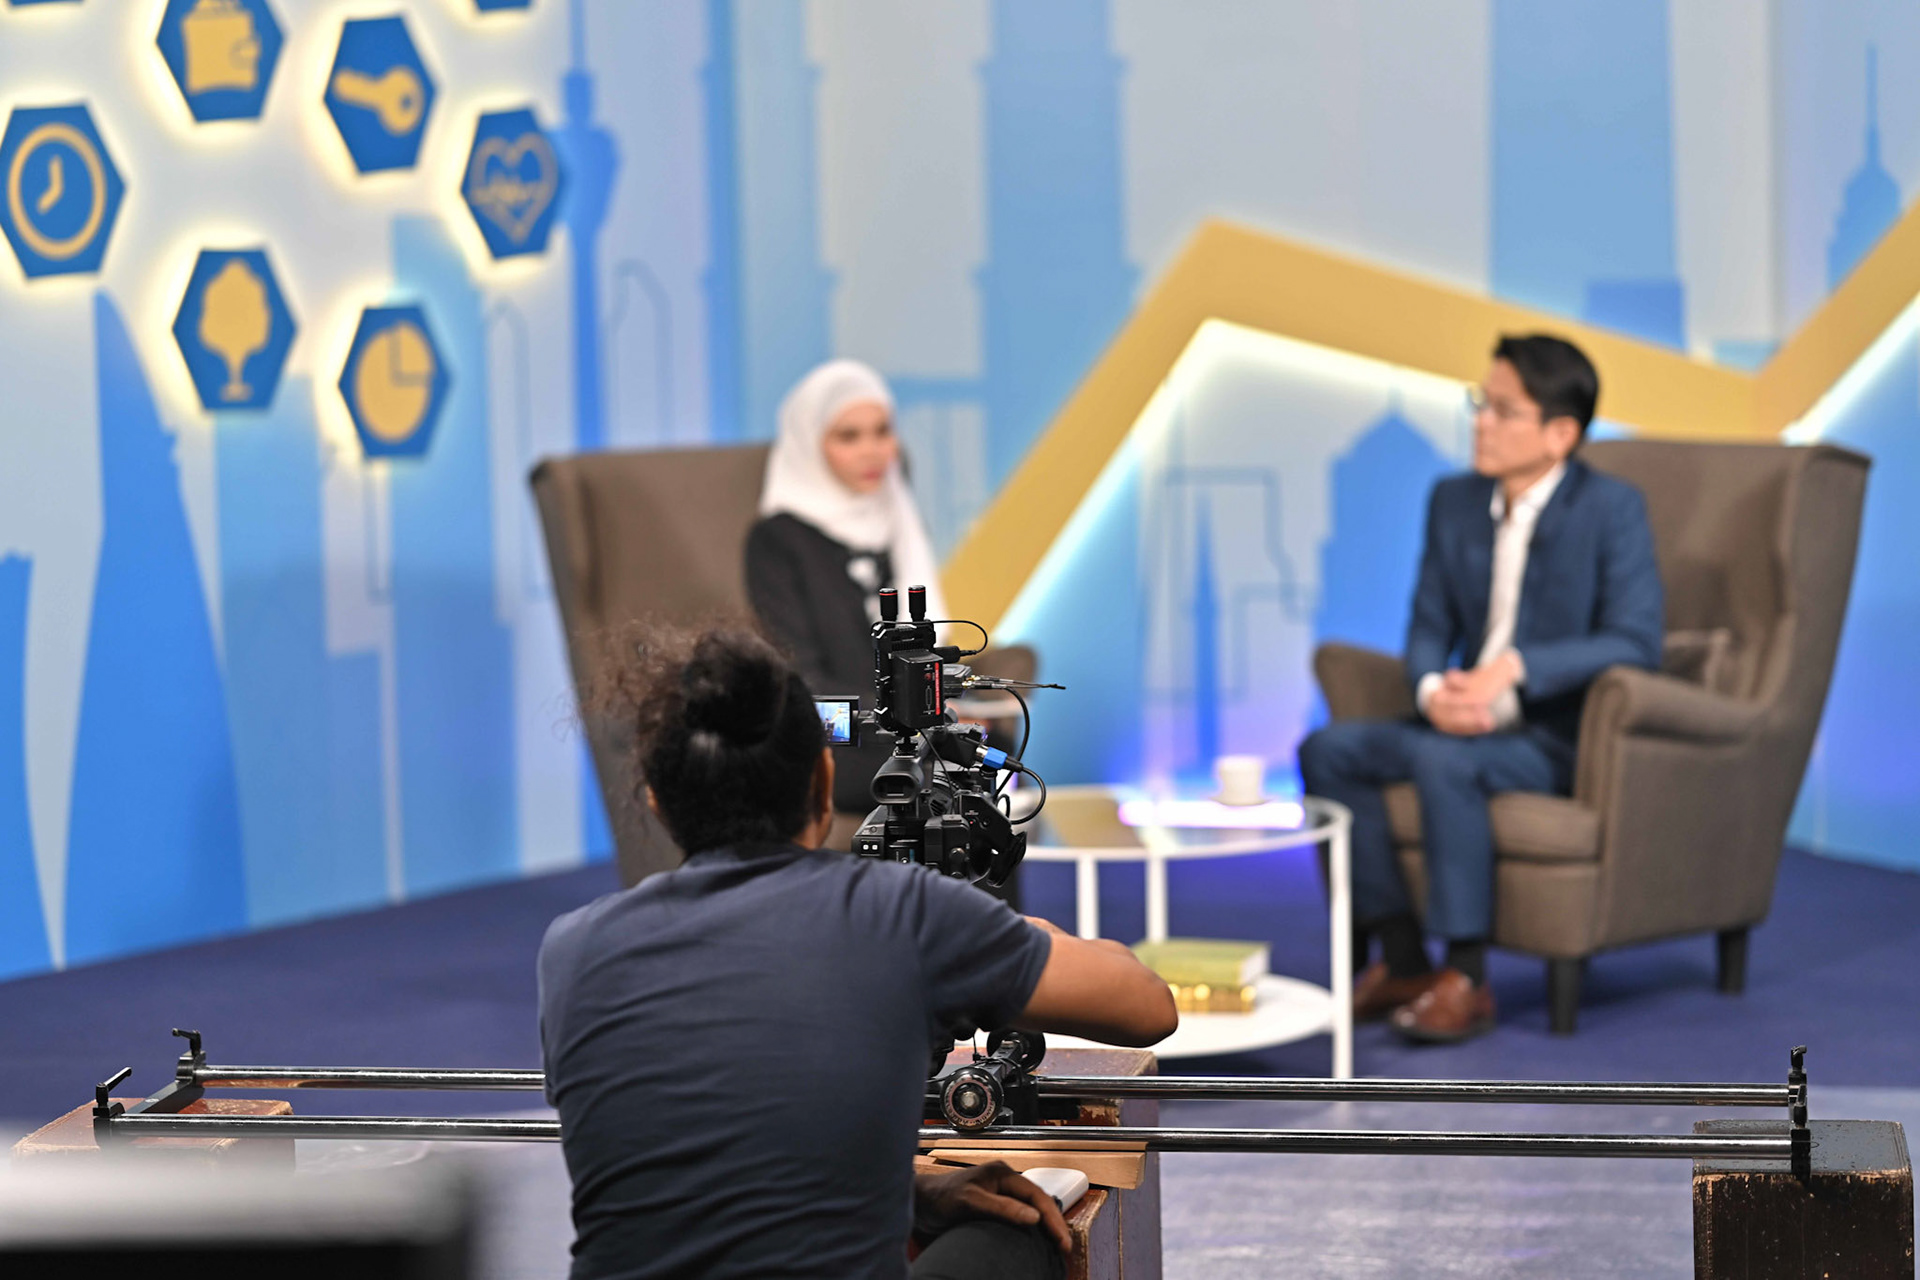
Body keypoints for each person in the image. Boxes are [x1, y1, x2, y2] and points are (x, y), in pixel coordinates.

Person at [540, 627, 1178, 1280]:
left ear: (656, 801)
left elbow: (699, 1147)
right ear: (822, 782)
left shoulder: (572, 948)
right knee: (1025, 1229)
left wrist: (912, 1196)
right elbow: (1148, 1007)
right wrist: (1005, 932)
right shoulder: (901, 914)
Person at [1297, 334, 1663, 1044]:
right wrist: (1433, 689)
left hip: (1549, 735)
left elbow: (1635, 640)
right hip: (1457, 719)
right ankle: (1403, 960)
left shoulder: (1611, 509)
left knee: (1444, 759)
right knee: (1327, 751)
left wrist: (1517, 669)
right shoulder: (1454, 500)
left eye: (1503, 410)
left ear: (1561, 434)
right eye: (1480, 403)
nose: (1481, 423)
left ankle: (1466, 976)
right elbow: (1428, 624)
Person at [745, 359, 943, 816]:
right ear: (810, 444)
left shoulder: (898, 521)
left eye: (882, 431)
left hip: (902, 730)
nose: (872, 451)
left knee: (986, 752)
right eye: (849, 436)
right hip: (828, 733)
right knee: (937, 773)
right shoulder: (776, 540)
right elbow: (803, 687)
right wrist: (907, 722)